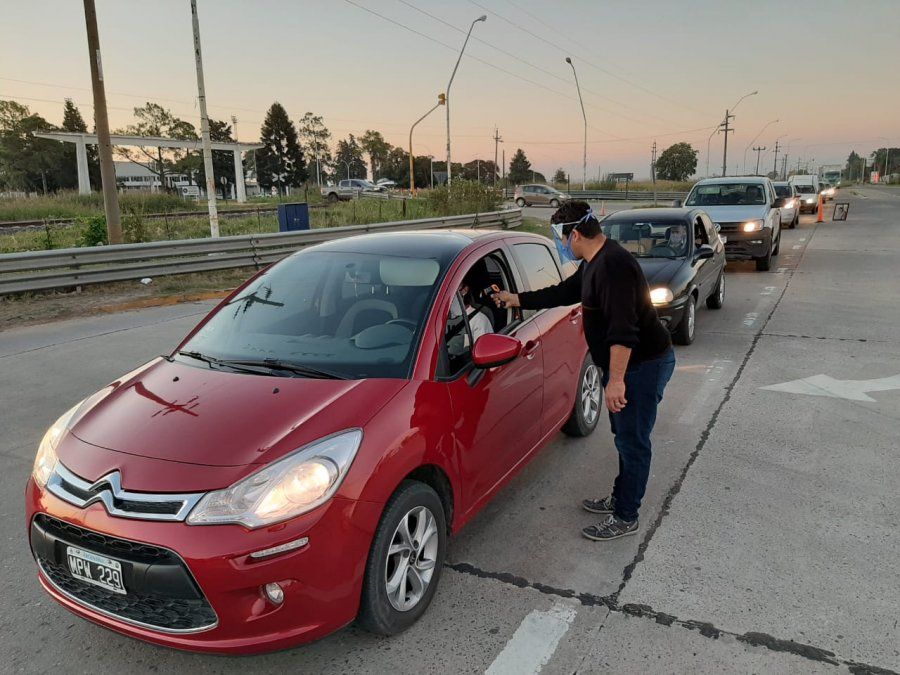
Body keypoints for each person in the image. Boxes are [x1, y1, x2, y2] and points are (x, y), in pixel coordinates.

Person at [493, 201, 675, 541]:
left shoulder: (613, 267)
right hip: (627, 366)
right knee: (624, 437)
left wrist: (616, 381)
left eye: (561, 238)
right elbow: (565, 292)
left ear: (574, 234)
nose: (561, 245)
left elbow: (623, 333)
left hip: (641, 366)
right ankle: (621, 498)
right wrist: (516, 299)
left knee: (633, 441)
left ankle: (626, 516)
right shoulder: (594, 261)